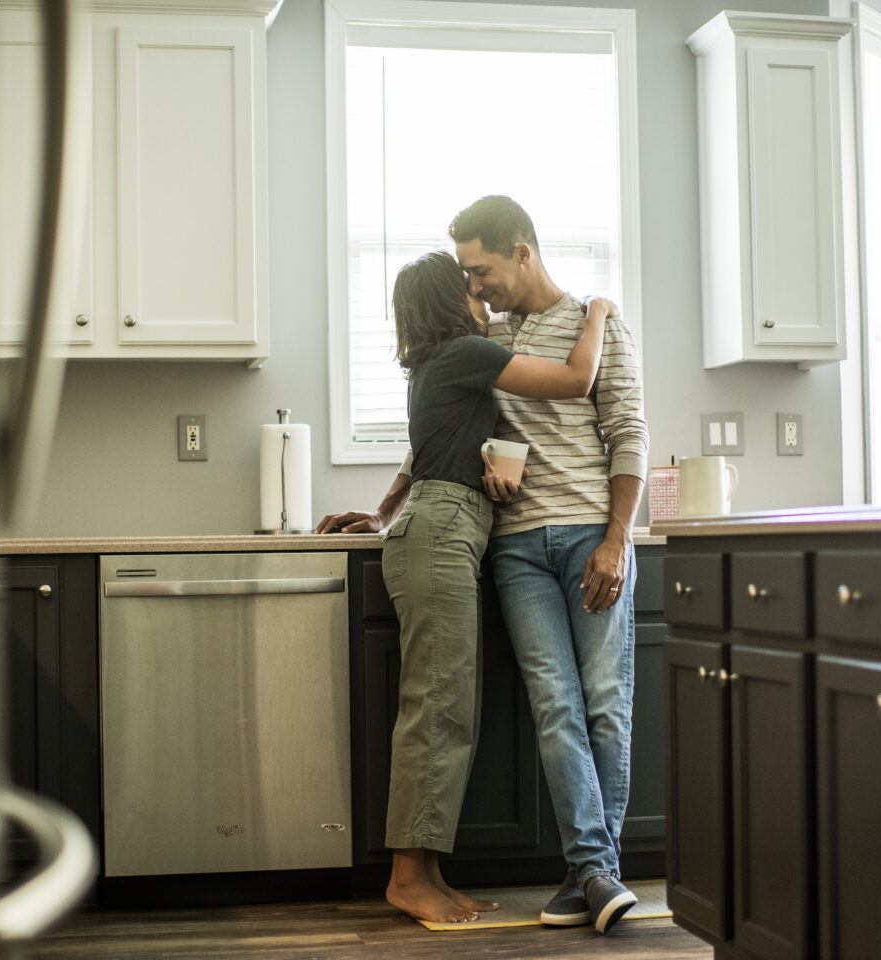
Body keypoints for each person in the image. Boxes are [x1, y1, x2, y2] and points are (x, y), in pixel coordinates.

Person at [318, 250, 615, 925]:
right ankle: (406, 877)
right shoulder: (467, 351)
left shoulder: (435, 364)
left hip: (443, 523)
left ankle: (428, 872)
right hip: (445, 531)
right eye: (467, 286)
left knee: (446, 706)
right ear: (450, 303)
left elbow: (426, 456)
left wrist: (385, 511)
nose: (479, 292)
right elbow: (576, 379)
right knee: (439, 708)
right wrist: (597, 311)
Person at [456, 195, 648, 935]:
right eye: (468, 276)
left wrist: (617, 538)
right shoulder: (488, 337)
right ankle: (597, 872)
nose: (478, 287)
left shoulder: (598, 321)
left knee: (604, 701)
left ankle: (590, 871)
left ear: (522, 251)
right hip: (516, 548)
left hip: (587, 536)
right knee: (556, 705)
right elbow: (464, 428)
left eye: (483, 270)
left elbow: (628, 430)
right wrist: (487, 460)